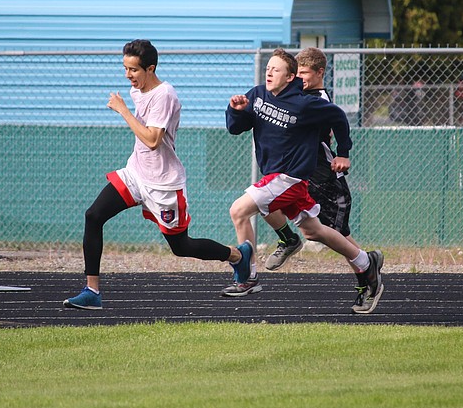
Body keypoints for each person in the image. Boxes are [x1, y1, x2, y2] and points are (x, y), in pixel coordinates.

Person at [63, 40, 250, 310]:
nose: (128, 75)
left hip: (164, 183)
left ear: (150, 69)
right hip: (136, 174)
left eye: (134, 70)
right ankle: (92, 291)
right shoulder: (137, 90)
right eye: (125, 69)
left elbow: (152, 139)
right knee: (93, 216)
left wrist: (123, 110)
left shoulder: (165, 95)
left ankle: (236, 256)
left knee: (181, 246)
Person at [224, 48, 384, 314]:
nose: (270, 72)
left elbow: (338, 117)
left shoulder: (305, 102)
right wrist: (236, 111)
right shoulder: (258, 95)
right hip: (281, 177)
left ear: (290, 77)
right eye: (268, 68)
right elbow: (235, 128)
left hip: (291, 176)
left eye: (277, 69)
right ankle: (366, 262)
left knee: (239, 210)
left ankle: (248, 278)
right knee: (314, 231)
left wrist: (343, 152)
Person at [263, 47, 359, 270]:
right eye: (297, 74)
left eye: (304, 73)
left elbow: (339, 121)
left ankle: (366, 269)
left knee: (335, 233)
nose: (299, 78)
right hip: (299, 173)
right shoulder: (295, 96)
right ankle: (288, 239)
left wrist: (344, 153)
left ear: (320, 73)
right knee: (263, 201)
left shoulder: (318, 100)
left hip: (324, 175)